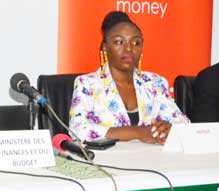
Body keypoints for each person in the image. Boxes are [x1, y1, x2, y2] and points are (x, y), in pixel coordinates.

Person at [69, 11, 188, 143]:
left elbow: (183, 124)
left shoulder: (154, 83)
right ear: (105, 47)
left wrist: (168, 128)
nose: (129, 49)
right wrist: (137, 132)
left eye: (136, 43)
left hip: (151, 155)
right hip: (108, 156)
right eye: (119, 42)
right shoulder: (87, 84)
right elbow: (77, 130)